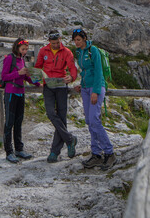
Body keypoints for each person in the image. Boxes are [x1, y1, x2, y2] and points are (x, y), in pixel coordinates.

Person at [71, 28, 116, 170]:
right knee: (90, 121)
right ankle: (96, 154)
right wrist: (81, 85)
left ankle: (109, 152)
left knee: (95, 120)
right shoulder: (80, 52)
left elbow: (98, 71)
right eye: (75, 40)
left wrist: (96, 91)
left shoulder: (93, 50)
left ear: (84, 39)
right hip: (85, 88)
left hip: (95, 88)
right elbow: (84, 71)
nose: (76, 42)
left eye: (78, 40)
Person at [34, 30, 78, 162]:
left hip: (61, 85)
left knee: (61, 116)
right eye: (53, 43)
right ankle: (70, 139)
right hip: (48, 85)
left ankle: (54, 152)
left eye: (57, 42)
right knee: (50, 113)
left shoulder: (67, 52)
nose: (56, 45)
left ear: (60, 40)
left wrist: (72, 77)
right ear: (49, 41)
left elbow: (72, 68)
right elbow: (38, 66)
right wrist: (36, 79)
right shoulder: (43, 51)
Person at [1, 38, 38, 163]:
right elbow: (4, 76)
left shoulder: (22, 59)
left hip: (20, 93)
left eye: (27, 49)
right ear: (17, 48)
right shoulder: (9, 58)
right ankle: (9, 152)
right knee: (9, 122)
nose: (25, 51)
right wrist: (18, 73)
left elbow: (25, 76)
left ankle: (19, 149)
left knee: (18, 121)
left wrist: (37, 83)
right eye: (23, 49)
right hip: (11, 93)